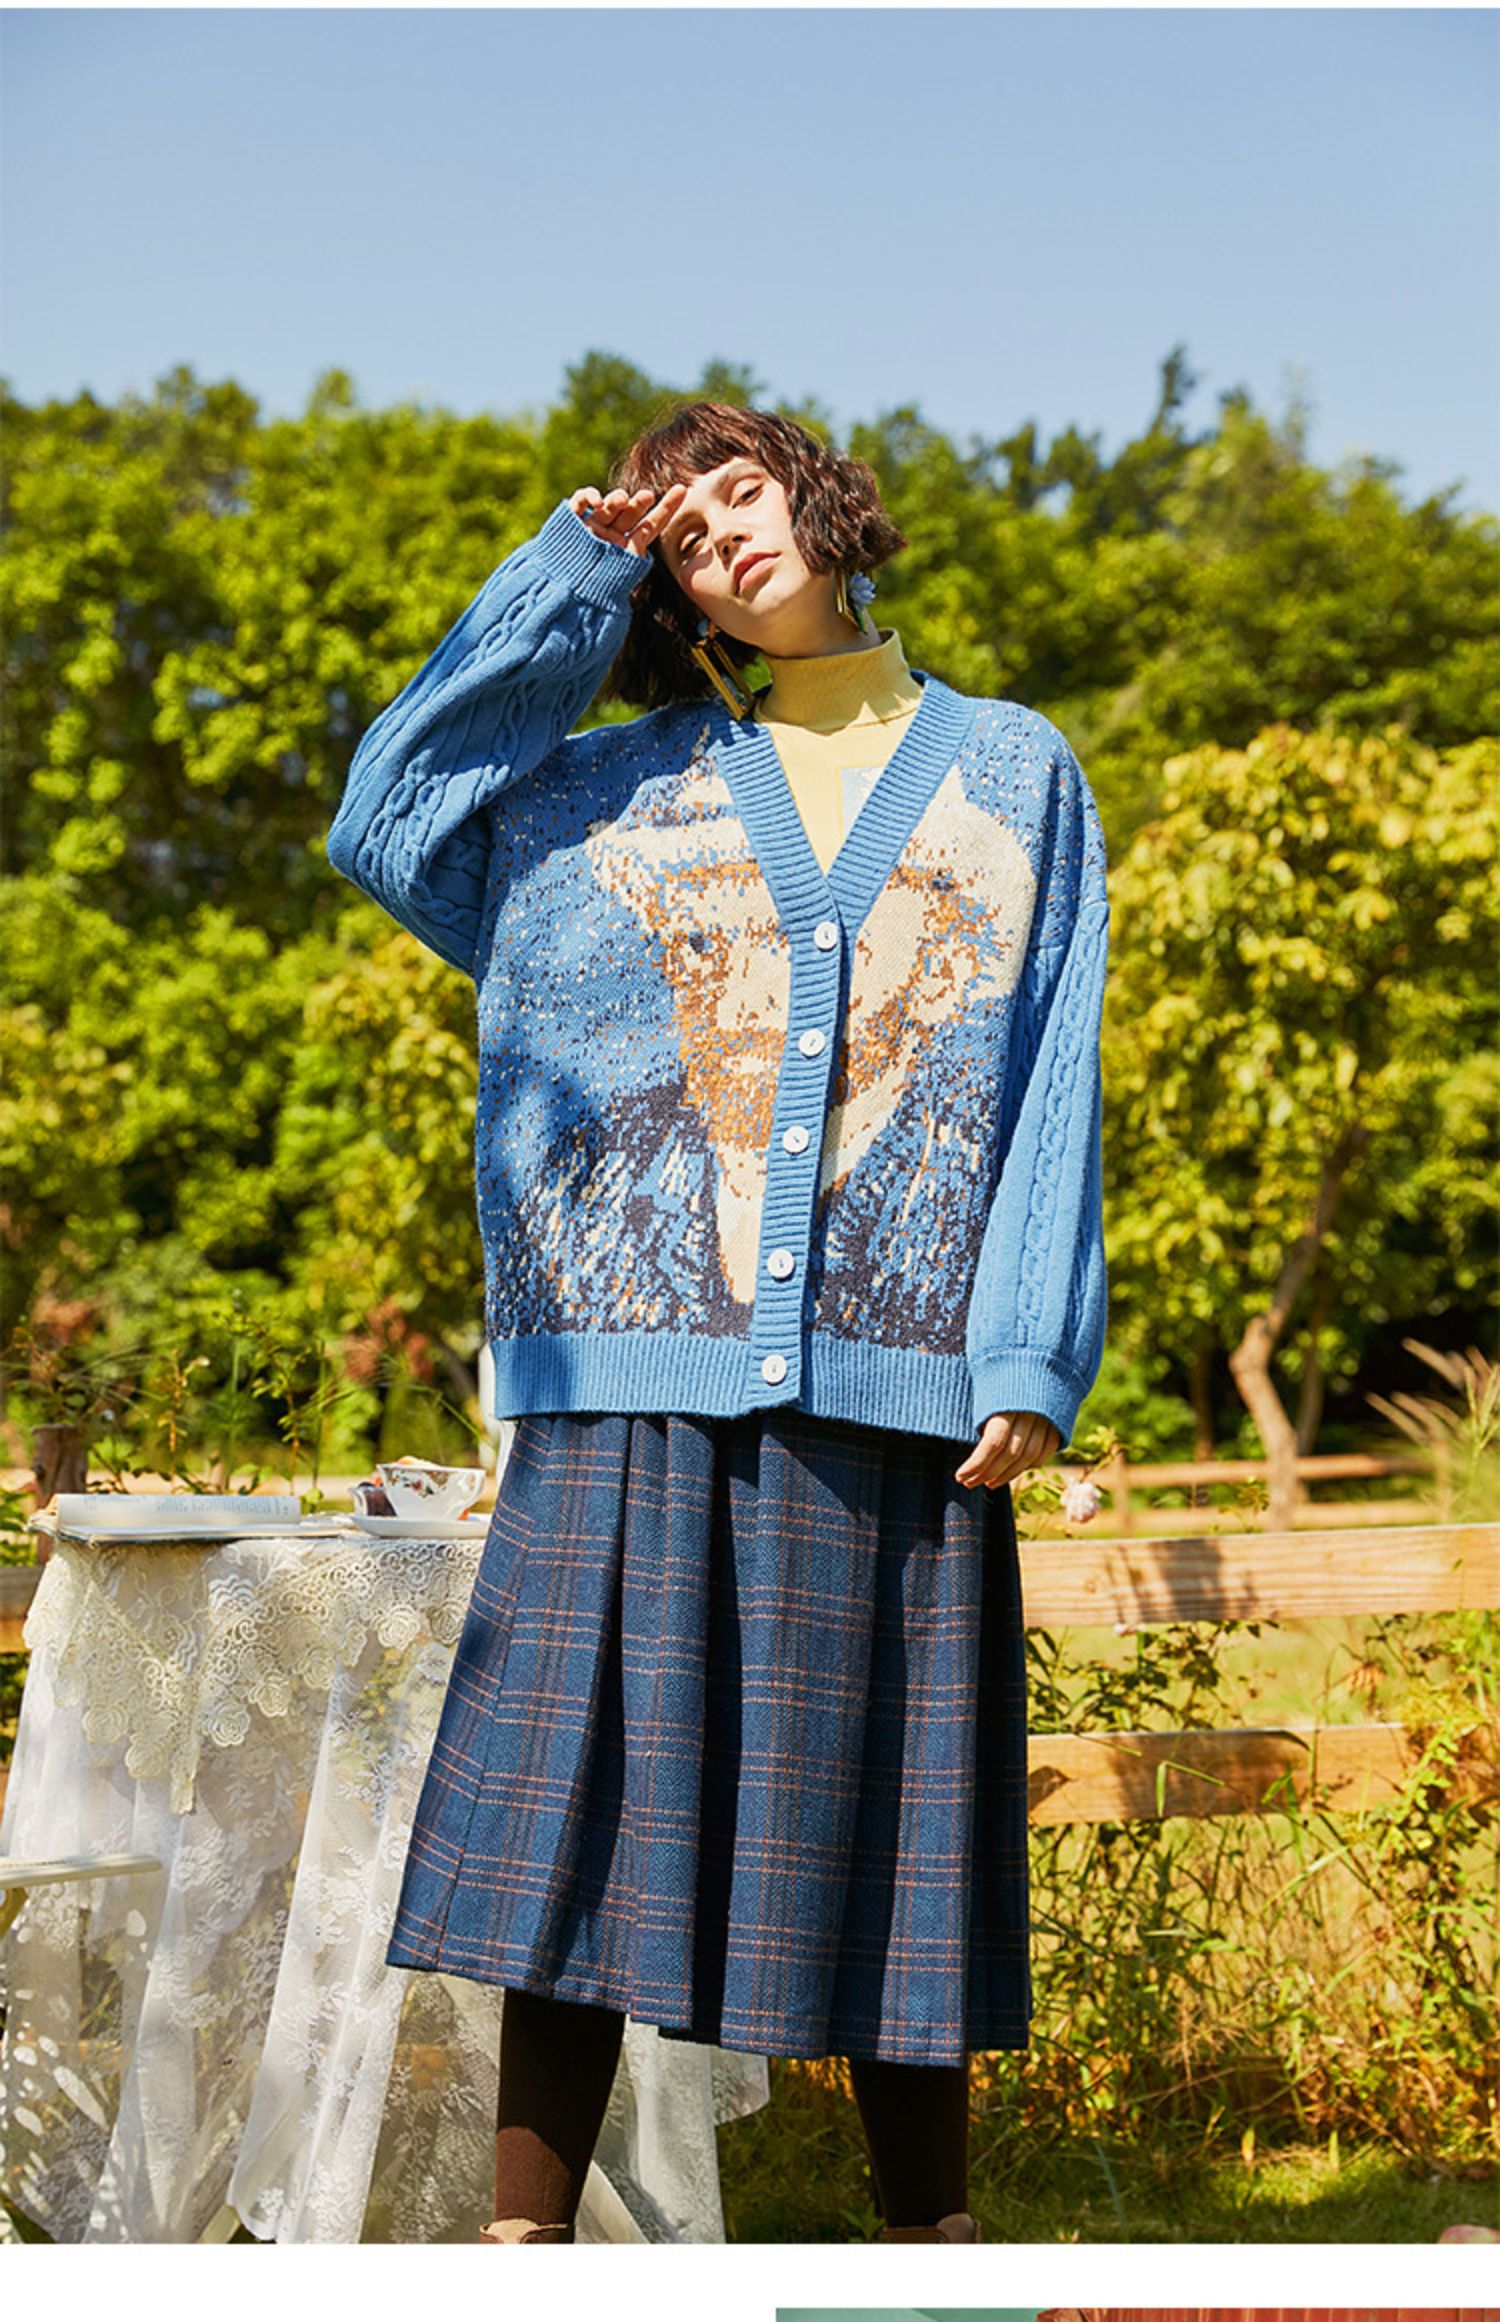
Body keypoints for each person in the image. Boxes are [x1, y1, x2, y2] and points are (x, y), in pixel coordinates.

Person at [327, 400, 1111, 2244]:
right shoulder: (603, 795)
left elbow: (1055, 1054)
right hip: (626, 1368)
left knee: (897, 1839)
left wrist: (1027, 1348)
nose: (724, 537)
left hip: (903, 1376)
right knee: (577, 1824)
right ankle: (524, 2249)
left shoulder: (1014, 768)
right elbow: (389, 819)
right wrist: (571, 581)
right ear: (666, 591)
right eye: (681, 537)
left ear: (814, 493)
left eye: (739, 493)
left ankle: (932, 2248)